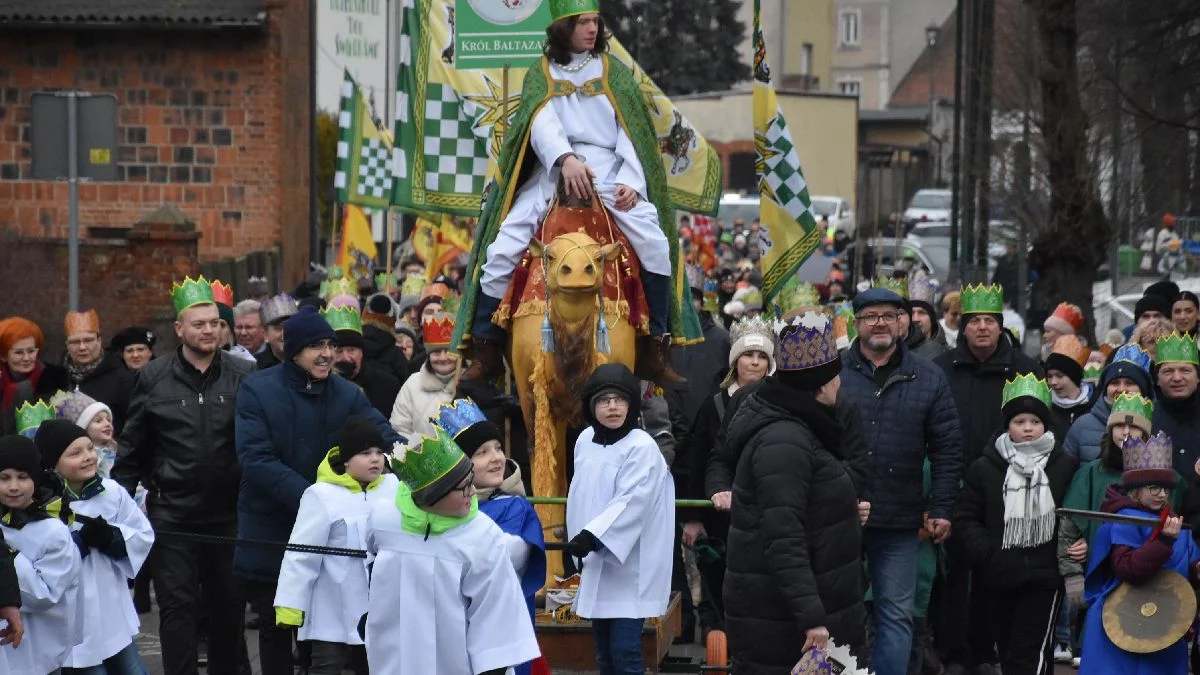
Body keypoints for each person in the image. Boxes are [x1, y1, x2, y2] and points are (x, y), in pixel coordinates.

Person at [457, 0, 694, 388]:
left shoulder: (613, 72)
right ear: (562, 26)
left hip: (609, 169)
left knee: (653, 239)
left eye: (595, 22)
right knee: (504, 243)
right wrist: (565, 158)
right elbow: (540, 122)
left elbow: (632, 130)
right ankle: (487, 347)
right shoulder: (541, 73)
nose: (591, 29)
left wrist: (633, 182)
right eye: (583, 22)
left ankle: (655, 345)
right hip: (555, 170)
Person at [234, 304, 400, 675]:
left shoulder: (347, 394)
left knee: (321, 632)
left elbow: (383, 435)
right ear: (294, 351)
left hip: (333, 540)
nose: (327, 354)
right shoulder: (257, 390)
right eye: (315, 346)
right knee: (276, 628)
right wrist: (317, 499)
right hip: (271, 526)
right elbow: (255, 458)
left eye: (330, 344)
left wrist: (424, 461)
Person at [112, 276, 254, 675]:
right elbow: (132, 449)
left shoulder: (243, 375)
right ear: (179, 329)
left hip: (228, 517)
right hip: (172, 517)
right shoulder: (153, 378)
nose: (208, 330)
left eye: (214, 323)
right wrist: (113, 508)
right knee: (177, 612)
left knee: (229, 610)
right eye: (199, 324)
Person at [722, 312, 867, 673]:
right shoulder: (784, 441)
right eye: (835, 377)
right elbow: (783, 538)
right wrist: (813, 619)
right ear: (817, 385)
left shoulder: (802, 428)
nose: (839, 385)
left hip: (800, 612)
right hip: (786, 626)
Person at [840, 288, 961, 675]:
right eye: (871, 316)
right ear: (856, 324)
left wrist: (941, 507)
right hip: (838, 515)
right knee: (837, 611)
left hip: (900, 519)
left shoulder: (928, 377)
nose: (880, 323)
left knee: (895, 615)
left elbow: (947, 448)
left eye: (888, 316)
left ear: (901, 323)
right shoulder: (833, 372)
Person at [363, 426, 542, 674]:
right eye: (463, 486)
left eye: (471, 481)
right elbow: (371, 561)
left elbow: (496, 608)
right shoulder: (384, 519)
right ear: (433, 494)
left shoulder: (482, 534)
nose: (472, 492)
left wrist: (493, 666)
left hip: (457, 664)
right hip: (396, 660)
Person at [932, 283, 1040, 673]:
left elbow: (1043, 429)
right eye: (974, 320)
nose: (981, 328)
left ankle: (988, 650)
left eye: (988, 321)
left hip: (1008, 488)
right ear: (962, 326)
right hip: (955, 484)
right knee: (955, 575)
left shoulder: (1026, 369)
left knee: (997, 573)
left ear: (1000, 326)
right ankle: (955, 652)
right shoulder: (941, 369)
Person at [954, 374, 1078, 673]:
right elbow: (965, 517)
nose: (1027, 429)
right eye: (1019, 421)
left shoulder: (1063, 465)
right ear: (1007, 425)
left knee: (1029, 654)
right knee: (1009, 653)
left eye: (1034, 422)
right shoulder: (986, 467)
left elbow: (1073, 514)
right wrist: (987, 554)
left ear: (1044, 425)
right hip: (999, 575)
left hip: (1045, 578)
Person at [564, 363, 674, 675]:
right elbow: (580, 493)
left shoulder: (641, 446)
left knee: (625, 653)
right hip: (596, 561)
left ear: (631, 404)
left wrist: (593, 535)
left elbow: (633, 502)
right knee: (604, 654)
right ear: (591, 406)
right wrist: (578, 536)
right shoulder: (585, 440)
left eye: (619, 399)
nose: (612, 407)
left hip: (630, 566)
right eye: (603, 400)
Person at [273, 416, 400, 675]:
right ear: (346, 460)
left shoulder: (394, 489)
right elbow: (301, 553)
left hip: (379, 604)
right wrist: (290, 604)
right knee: (326, 666)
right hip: (332, 603)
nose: (375, 459)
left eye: (378, 452)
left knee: (377, 665)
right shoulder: (321, 495)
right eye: (365, 453)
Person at [432, 398, 547, 675]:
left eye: (497, 448)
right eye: (482, 452)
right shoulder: (442, 511)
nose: (496, 457)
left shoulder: (514, 506)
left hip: (500, 628)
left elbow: (505, 556)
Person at [35, 418, 154, 674]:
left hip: (111, 613)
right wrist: (79, 544)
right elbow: (40, 562)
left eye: (89, 448)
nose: (88, 457)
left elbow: (142, 534)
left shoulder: (111, 492)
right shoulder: (44, 508)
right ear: (53, 464)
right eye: (75, 453)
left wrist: (112, 538)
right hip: (74, 621)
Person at [678, 316, 773, 637]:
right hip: (719, 515)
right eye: (748, 355)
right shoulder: (714, 405)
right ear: (736, 360)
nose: (755, 363)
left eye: (762, 357)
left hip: (764, 516)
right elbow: (697, 461)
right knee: (718, 584)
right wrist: (693, 517)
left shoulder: (779, 404)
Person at [1079, 431, 1199, 672]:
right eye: (1154, 487)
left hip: (1164, 619)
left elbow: (1188, 562)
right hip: (1122, 619)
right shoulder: (1124, 520)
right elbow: (1128, 568)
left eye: (1165, 488)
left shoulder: (1173, 522)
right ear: (1135, 490)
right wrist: (1163, 541)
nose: (1162, 494)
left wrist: (1196, 569)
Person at [0, 432, 82, 675]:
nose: (13, 486)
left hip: (38, 650)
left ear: (35, 479)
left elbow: (44, 595)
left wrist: (9, 557)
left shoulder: (53, 531)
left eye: (22, 477)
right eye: (4, 478)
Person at [1062, 345, 1153, 463]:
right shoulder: (1082, 426)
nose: (1121, 389)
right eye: (1115, 383)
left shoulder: (1158, 422)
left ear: (1143, 389)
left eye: (1129, 383)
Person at [63, 310, 135, 435]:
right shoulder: (56, 378)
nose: (82, 347)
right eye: (75, 342)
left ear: (99, 340)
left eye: (88, 340)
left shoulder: (121, 379)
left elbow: (134, 425)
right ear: (67, 345)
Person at [390, 311, 460, 440]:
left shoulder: (473, 384)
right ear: (428, 354)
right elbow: (399, 429)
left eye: (449, 351)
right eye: (436, 352)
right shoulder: (412, 385)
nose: (443, 358)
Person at [324, 305, 401, 418]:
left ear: (361, 352)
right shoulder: (321, 386)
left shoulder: (387, 385)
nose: (346, 357)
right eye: (339, 351)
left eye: (351, 350)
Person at [0, 316, 69, 435]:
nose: (27, 358)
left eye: (31, 351)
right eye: (19, 352)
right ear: (3, 356)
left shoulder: (54, 378)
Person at [1150, 332, 1200, 476]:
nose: (1177, 378)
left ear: (1198, 377)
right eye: (1168, 371)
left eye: (1185, 370)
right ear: (1157, 379)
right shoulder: (1147, 417)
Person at [1045, 335, 1094, 436]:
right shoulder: (1045, 406)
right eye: (1049, 376)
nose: (1053, 382)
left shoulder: (1096, 402)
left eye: (1060, 376)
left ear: (1073, 377)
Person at [907, 273, 948, 359]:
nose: (915, 319)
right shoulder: (898, 354)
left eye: (922, 313)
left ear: (931, 318)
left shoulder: (946, 354)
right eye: (911, 313)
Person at [256, 293, 299, 370]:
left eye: (290, 326)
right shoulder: (254, 366)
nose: (284, 333)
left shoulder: (309, 363)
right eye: (279, 328)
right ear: (265, 334)